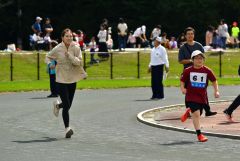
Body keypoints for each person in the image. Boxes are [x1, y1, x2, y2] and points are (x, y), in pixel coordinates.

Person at [46, 28, 87, 138]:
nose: (69, 38)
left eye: (70, 36)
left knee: (68, 105)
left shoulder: (76, 47)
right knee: (67, 104)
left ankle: (58, 106)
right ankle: (67, 129)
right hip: (61, 79)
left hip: (72, 78)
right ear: (62, 37)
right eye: (67, 36)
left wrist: (70, 56)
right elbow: (48, 57)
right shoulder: (58, 48)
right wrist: (50, 64)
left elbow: (79, 62)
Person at [180, 50, 220, 142]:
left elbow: (214, 81)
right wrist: (183, 89)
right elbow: (182, 81)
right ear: (192, 60)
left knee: (199, 113)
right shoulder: (188, 71)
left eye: (201, 58)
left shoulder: (207, 70)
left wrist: (216, 91)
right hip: (191, 95)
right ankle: (199, 134)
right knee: (197, 114)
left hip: (202, 96)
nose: (199, 60)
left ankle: (189, 112)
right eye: (197, 58)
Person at [178, 27, 217, 116]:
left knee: (203, 89)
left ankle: (207, 110)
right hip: (189, 72)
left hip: (200, 71)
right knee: (189, 91)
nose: (190, 36)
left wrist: (200, 64)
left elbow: (203, 57)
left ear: (194, 35)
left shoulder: (199, 45)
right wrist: (191, 61)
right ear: (185, 36)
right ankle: (189, 109)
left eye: (192, 34)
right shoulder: (183, 48)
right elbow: (180, 60)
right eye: (188, 34)